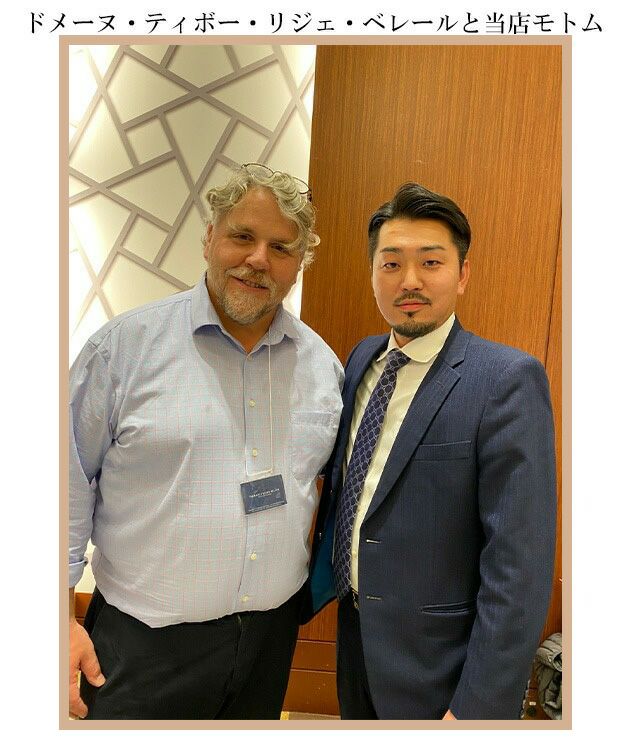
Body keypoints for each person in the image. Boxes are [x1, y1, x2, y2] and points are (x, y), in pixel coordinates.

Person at [69, 163, 343, 720]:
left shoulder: (322, 367)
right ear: (210, 237)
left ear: (299, 264)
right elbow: (60, 488)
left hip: (269, 640)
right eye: (242, 236)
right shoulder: (121, 352)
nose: (258, 259)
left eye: (281, 247)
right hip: (143, 648)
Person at [304, 182, 557, 719]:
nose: (410, 281)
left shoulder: (506, 380)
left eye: (431, 262)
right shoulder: (362, 360)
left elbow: (519, 568)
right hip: (355, 639)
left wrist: (477, 709)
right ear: (373, 273)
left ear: (462, 274)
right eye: (391, 263)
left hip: (441, 670)